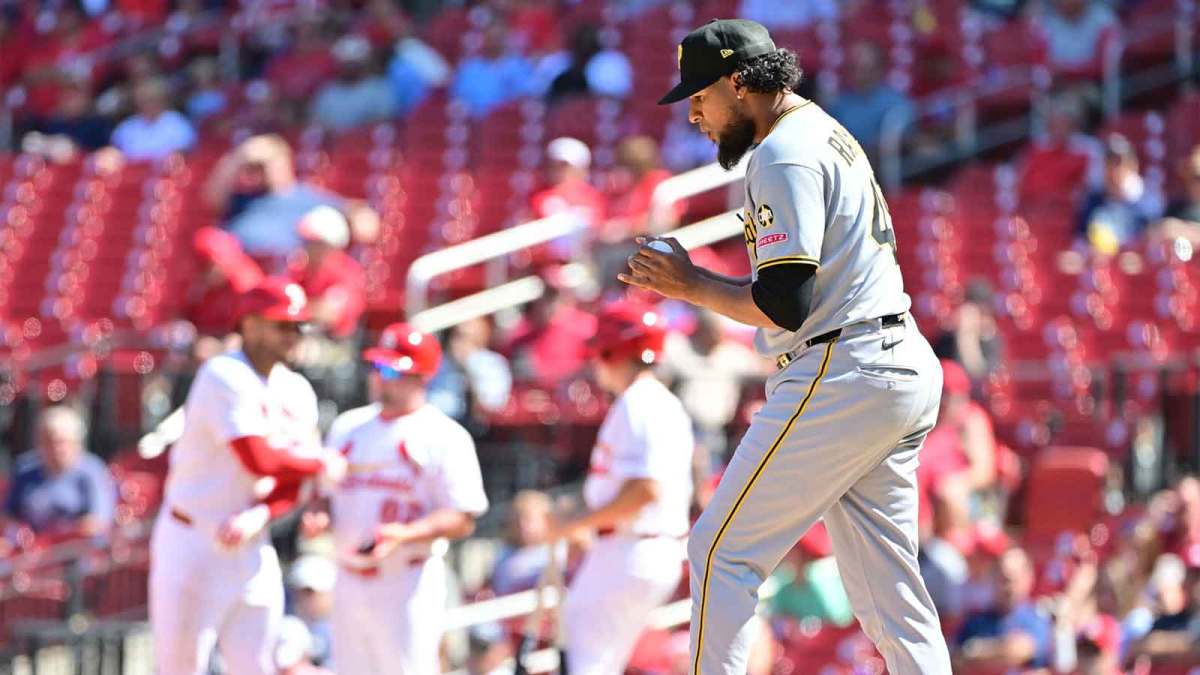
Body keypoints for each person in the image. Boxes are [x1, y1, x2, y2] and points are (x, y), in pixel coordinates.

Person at [642, 19, 951, 674]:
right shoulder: (824, 131)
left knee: (721, 551)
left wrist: (690, 282)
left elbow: (787, 301)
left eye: (700, 94)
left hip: (846, 365)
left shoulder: (782, 152)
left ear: (737, 82)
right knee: (891, 597)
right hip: (893, 359)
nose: (693, 111)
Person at [148, 278, 348, 675]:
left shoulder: (298, 390)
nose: (292, 335)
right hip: (193, 542)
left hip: (251, 544)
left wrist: (261, 514)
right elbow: (259, 459)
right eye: (282, 325)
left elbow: (293, 483)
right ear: (251, 324)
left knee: (257, 666)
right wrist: (321, 462)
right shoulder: (223, 373)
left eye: (297, 326)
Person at [299, 323, 489, 675]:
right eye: (377, 367)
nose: (381, 378)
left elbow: (463, 517)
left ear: (422, 377)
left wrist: (404, 534)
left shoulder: (445, 436)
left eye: (391, 370)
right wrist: (319, 514)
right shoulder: (348, 426)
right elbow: (323, 494)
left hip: (406, 581)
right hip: (349, 577)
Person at [546, 300, 694, 675]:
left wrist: (575, 522)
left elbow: (645, 490)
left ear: (614, 351)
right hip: (637, 546)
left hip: (632, 547)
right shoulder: (651, 402)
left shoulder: (639, 404)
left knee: (587, 663)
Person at [205, 135, 378, 260]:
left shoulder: (306, 197)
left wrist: (353, 222)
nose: (261, 171)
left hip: (285, 274)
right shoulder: (242, 200)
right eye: (256, 167)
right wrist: (240, 156)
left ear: (285, 162)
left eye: (266, 164)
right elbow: (211, 198)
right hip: (237, 272)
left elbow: (365, 221)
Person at [3, 406, 116, 541]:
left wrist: (65, 535)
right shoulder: (25, 469)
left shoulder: (92, 471)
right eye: (48, 441)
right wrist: (19, 534)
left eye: (61, 442)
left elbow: (99, 521)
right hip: (31, 550)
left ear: (76, 443)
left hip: (72, 550)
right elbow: (7, 515)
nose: (55, 448)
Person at [955, 547, 1054, 671]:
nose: (1008, 587)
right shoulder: (976, 621)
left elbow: (1017, 651)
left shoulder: (1037, 618)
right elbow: (956, 658)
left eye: (1013, 579)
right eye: (1003, 579)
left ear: (1029, 578)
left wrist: (976, 649)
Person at [287, 206, 366, 340]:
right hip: (301, 338)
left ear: (331, 246)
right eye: (305, 241)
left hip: (335, 348)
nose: (307, 247)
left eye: (313, 243)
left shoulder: (347, 271)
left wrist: (301, 308)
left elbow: (328, 315)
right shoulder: (298, 267)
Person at [1077, 133, 1162, 255]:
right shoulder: (1093, 201)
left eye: (1119, 163)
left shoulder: (1148, 203)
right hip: (1101, 266)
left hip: (1135, 266)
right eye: (1109, 163)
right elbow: (1080, 239)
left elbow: (1153, 244)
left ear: (1133, 165)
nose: (1114, 170)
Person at [826, 42, 914, 155]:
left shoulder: (897, 103)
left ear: (879, 69)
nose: (858, 75)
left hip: (887, 166)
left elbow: (907, 141)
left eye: (864, 69)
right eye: (854, 68)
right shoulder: (839, 105)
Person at [529, 137, 607, 261]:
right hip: (549, 269)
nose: (558, 171)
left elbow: (599, 231)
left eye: (564, 166)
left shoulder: (593, 197)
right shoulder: (540, 197)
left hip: (586, 264)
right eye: (554, 165)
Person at [426, 316, 513, 427]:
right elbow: (432, 401)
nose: (457, 343)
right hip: (443, 425)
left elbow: (492, 404)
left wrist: (469, 366)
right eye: (456, 336)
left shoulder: (493, 364)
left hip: (483, 431)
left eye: (464, 337)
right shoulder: (441, 363)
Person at [451, 20, 538, 118]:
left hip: (505, 121)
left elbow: (527, 96)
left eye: (498, 38)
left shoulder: (518, 66)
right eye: (490, 38)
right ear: (484, 39)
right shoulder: (469, 67)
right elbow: (458, 98)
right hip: (472, 122)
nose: (494, 42)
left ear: (505, 39)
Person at [310, 35, 397, 133]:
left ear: (364, 63)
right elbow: (317, 126)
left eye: (353, 64)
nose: (349, 68)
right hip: (334, 145)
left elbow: (384, 123)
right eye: (345, 64)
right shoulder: (327, 93)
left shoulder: (379, 89)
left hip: (367, 143)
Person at [110, 76, 197, 160]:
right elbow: (115, 154)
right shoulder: (126, 127)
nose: (147, 105)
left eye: (151, 99)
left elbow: (183, 154)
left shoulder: (177, 123)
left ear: (163, 100)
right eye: (143, 100)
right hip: (133, 173)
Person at [490, 490, 556, 595]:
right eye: (517, 520)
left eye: (529, 519)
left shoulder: (561, 553)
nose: (522, 526)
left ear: (547, 519)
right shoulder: (503, 555)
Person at [1042, 0, 1117, 79]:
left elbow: (1105, 65)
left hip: (1095, 85)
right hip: (1056, 87)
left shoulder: (1104, 21)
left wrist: (1066, 71)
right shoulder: (1044, 22)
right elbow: (1042, 67)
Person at [285, 555, 336, 666]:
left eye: (310, 592)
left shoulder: (344, 628)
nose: (302, 597)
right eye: (298, 591)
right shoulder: (288, 626)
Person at [1153, 145, 1200, 246]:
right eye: (1193, 176)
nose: (1196, 183)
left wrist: (1183, 230)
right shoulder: (1175, 206)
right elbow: (1160, 230)